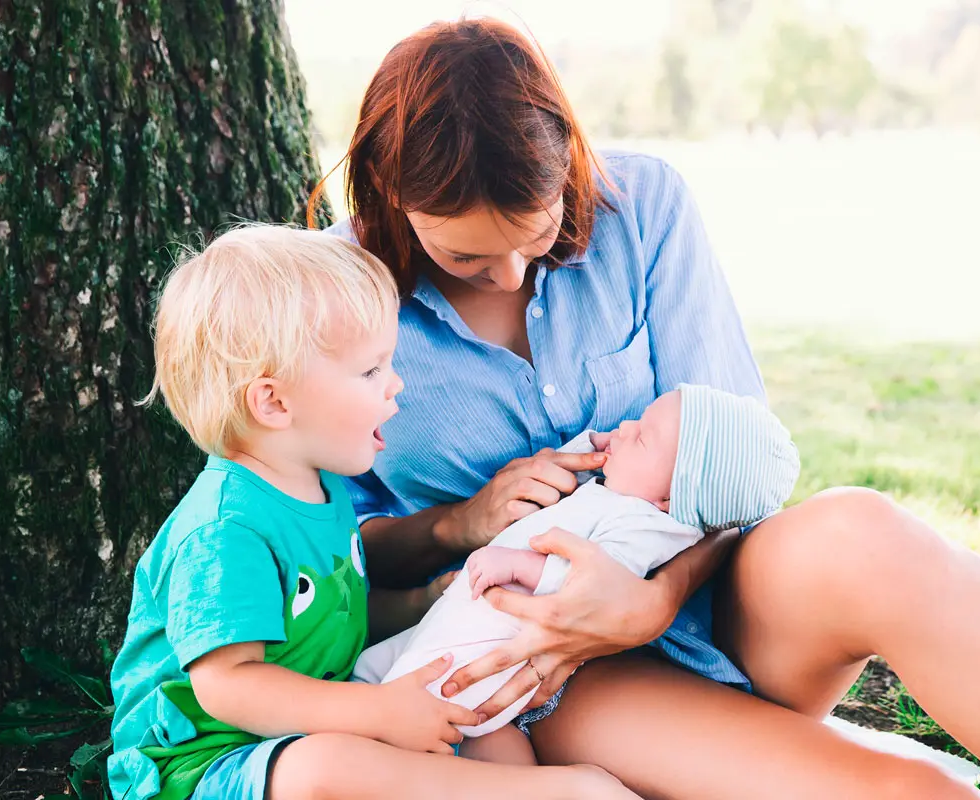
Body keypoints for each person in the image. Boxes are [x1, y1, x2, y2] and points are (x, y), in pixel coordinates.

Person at [314, 16, 980, 799]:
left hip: (720, 595)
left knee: (864, 533)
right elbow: (330, 565)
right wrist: (460, 523)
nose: (507, 277)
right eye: (464, 256)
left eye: (533, 240)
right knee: (912, 795)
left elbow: (735, 457)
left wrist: (651, 600)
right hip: (552, 665)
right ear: (392, 194)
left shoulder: (639, 208)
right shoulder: (333, 297)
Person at [105, 225, 638, 800]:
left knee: (478, 723)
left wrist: (423, 604)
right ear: (274, 402)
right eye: (370, 371)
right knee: (325, 771)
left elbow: (337, 613)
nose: (395, 384)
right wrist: (380, 711)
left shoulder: (322, 488)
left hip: (323, 715)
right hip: (204, 764)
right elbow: (229, 688)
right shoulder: (225, 530)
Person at [353, 385, 799, 762]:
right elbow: (585, 465)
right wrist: (597, 446)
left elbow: (583, 584)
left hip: (493, 642)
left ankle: (382, 757)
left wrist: (515, 564)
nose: (624, 428)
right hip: (460, 618)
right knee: (375, 670)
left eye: (641, 437)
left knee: (419, 694)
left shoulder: (645, 527)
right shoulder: (623, 492)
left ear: (670, 500)